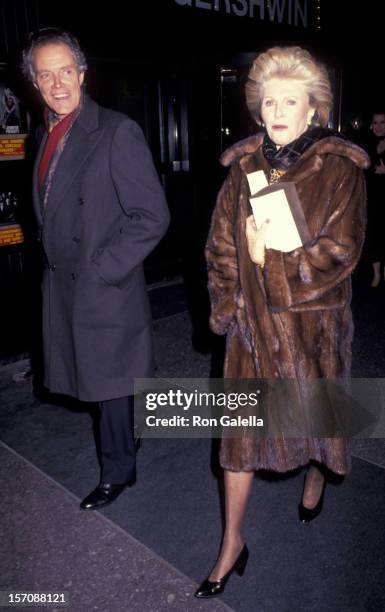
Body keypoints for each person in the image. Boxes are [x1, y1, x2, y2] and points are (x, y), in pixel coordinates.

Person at [195, 46, 369, 598]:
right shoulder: (242, 167)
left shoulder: (340, 169)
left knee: (319, 428)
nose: (276, 109)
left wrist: (271, 261)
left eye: (289, 100)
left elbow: (341, 253)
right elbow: (221, 247)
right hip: (252, 332)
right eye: (269, 99)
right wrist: (230, 303)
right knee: (237, 444)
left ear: (313, 108)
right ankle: (232, 544)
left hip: (312, 332)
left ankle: (316, 479)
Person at [21, 29, 170, 510]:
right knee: (103, 385)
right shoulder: (45, 134)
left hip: (103, 285)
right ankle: (126, 443)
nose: (58, 83)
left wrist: (105, 268)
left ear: (83, 74)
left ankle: (117, 472)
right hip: (66, 284)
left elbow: (153, 216)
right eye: (46, 75)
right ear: (35, 83)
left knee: (108, 386)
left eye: (66, 71)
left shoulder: (115, 131)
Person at [365, 112, 385, 287]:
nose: (379, 126)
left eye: (383, 122)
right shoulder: (366, 143)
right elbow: (362, 169)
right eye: (376, 122)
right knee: (374, 236)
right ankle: (376, 274)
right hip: (373, 199)